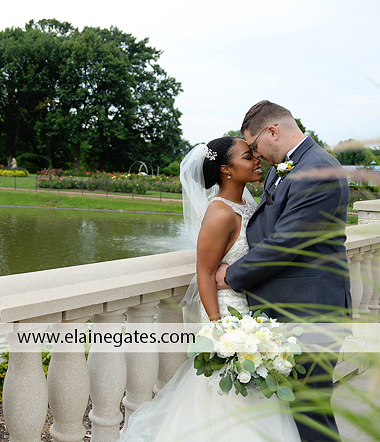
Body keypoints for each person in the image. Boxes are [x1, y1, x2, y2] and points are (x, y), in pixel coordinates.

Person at [118, 136, 301, 442]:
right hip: (228, 312)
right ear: (226, 170)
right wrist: (218, 329)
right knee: (227, 395)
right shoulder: (220, 213)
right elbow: (204, 272)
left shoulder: (249, 204)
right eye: (248, 157)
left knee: (254, 391)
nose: (257, 160)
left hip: (251, 311)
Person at [215, 100, 351, 441]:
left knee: (310, 413)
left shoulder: (319, 170)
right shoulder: (286, 167)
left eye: (255, 144)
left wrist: (231, 275)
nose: (256, 155)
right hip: (287, 312)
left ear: (272, 131)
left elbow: (285, 244)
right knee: (291, 414)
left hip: (311, 314)